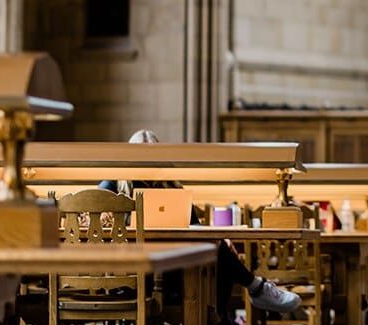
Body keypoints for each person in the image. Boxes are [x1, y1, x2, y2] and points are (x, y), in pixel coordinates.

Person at [102, 129, 300, 315]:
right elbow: (92, 201)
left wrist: (218, 238)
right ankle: (252, 292)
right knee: (219, 254)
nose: (146, 163)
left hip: (168, 266)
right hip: (133, 269)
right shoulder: (115, 183)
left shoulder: (171, 187)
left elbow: (194, 226)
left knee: (218, 254)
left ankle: (217, 322)